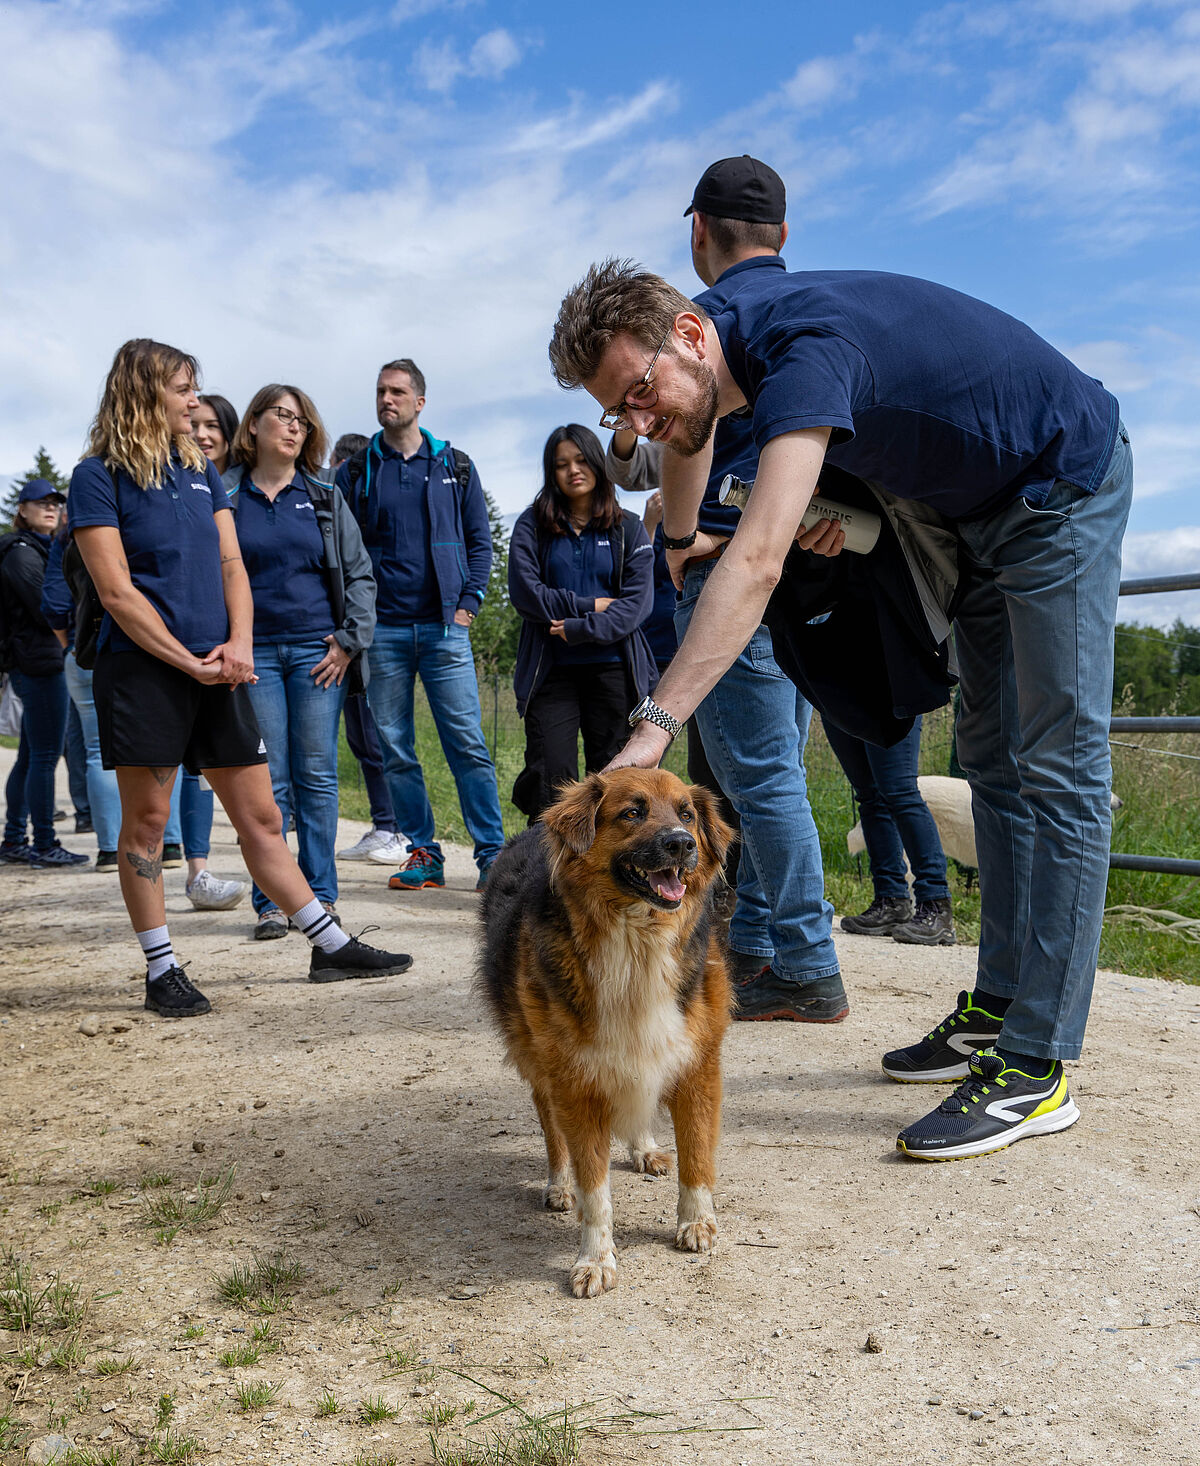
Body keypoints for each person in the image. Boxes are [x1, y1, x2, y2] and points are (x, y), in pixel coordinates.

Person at [548, 241, 1132, 1161]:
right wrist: (676, 541)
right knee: (990, 765)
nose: (635, 422)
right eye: (615, 410)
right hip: (967, 519)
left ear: (690, 336)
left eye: (638, 392)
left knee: (1056, 767)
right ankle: (1001, 1008)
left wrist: (653, 726)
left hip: (1058, 485)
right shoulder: (707, 356)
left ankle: (1038, 1063)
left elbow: (759, 557)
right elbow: (688, 495)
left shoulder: (801, 350)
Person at [68, 338, 412, 1020]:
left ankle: (329, 943)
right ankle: (162, 968)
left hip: (219, 667)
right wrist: (187, 659)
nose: (194, 401)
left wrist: (237, 644)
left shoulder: (199, 469)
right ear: (142, 391)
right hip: (144, 671)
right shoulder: (96, 476)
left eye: (195, 387)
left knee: (261, 815)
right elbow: (116, 592)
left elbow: (233, 569)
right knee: (147, 822)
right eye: (181, 388)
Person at [602, 157, 843, 1023]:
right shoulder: (806, 323)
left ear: (697, 230)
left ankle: (806, 960)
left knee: (758, 777)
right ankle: (759, 947)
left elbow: (683, 452)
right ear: (783, 234)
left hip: (735, 580)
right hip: (811, 580)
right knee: (771, 771)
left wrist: (683, 539)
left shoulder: (707, 337)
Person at [336, 359, 505, 892]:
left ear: (419, 402)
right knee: (396, 749)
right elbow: (341, 549)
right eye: (381, 391)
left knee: (467, 745)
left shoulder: (455, 465)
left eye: (397, 391)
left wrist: (468, 605)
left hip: (444, 628)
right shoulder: (357, 471)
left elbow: (481, 542)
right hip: (382, 631)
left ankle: (493, 857)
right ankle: (423, 853)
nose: (387, 399)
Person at [223, 385, 377, 939]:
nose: (293, 428)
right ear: (255, 424)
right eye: (282, 416)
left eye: (302, 422)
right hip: (254, 653)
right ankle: (270, 903)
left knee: (317, 777)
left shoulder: (323, 496)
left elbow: (360, 574)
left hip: (319, 655)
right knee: (270, 783)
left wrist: (348, 642)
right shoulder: (225, 496)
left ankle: (321, 897)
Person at [507, 425, 657, 821]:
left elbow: (636, 605)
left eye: (581, 459)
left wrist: (580, 627)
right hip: (551, 672)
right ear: (550, 473)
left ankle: (614, 879)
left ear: (598, 463)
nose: (573, 470)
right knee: (551, 778)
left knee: (615, 783)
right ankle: (546, 878)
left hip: (614, 672)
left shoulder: (629, 527)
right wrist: (593, 603)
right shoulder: (531, 526)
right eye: (561, 464)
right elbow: (527, 595)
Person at [0, 480, 89, 868]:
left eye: (56, 503)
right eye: (41, 504)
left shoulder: (36, 549)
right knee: (44, 756)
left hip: (37, 662)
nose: (51, 509)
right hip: (38, 664)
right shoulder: (21, 553)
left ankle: (15, 838)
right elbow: (48, 608)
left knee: (31, 756)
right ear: (23, 510)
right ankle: (43, 843)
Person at [328, 431, 405, 867]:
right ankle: (385, 823)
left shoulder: (356, 504)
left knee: (375, 737)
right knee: (363, 737)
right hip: (356, 633)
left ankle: (393, 829)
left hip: (368, 636)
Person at [826, 716, 956, 945]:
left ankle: (936, 905)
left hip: (891, 690)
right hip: (838, 692)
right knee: (869, 796)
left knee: (900, 791)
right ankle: (891, 901)